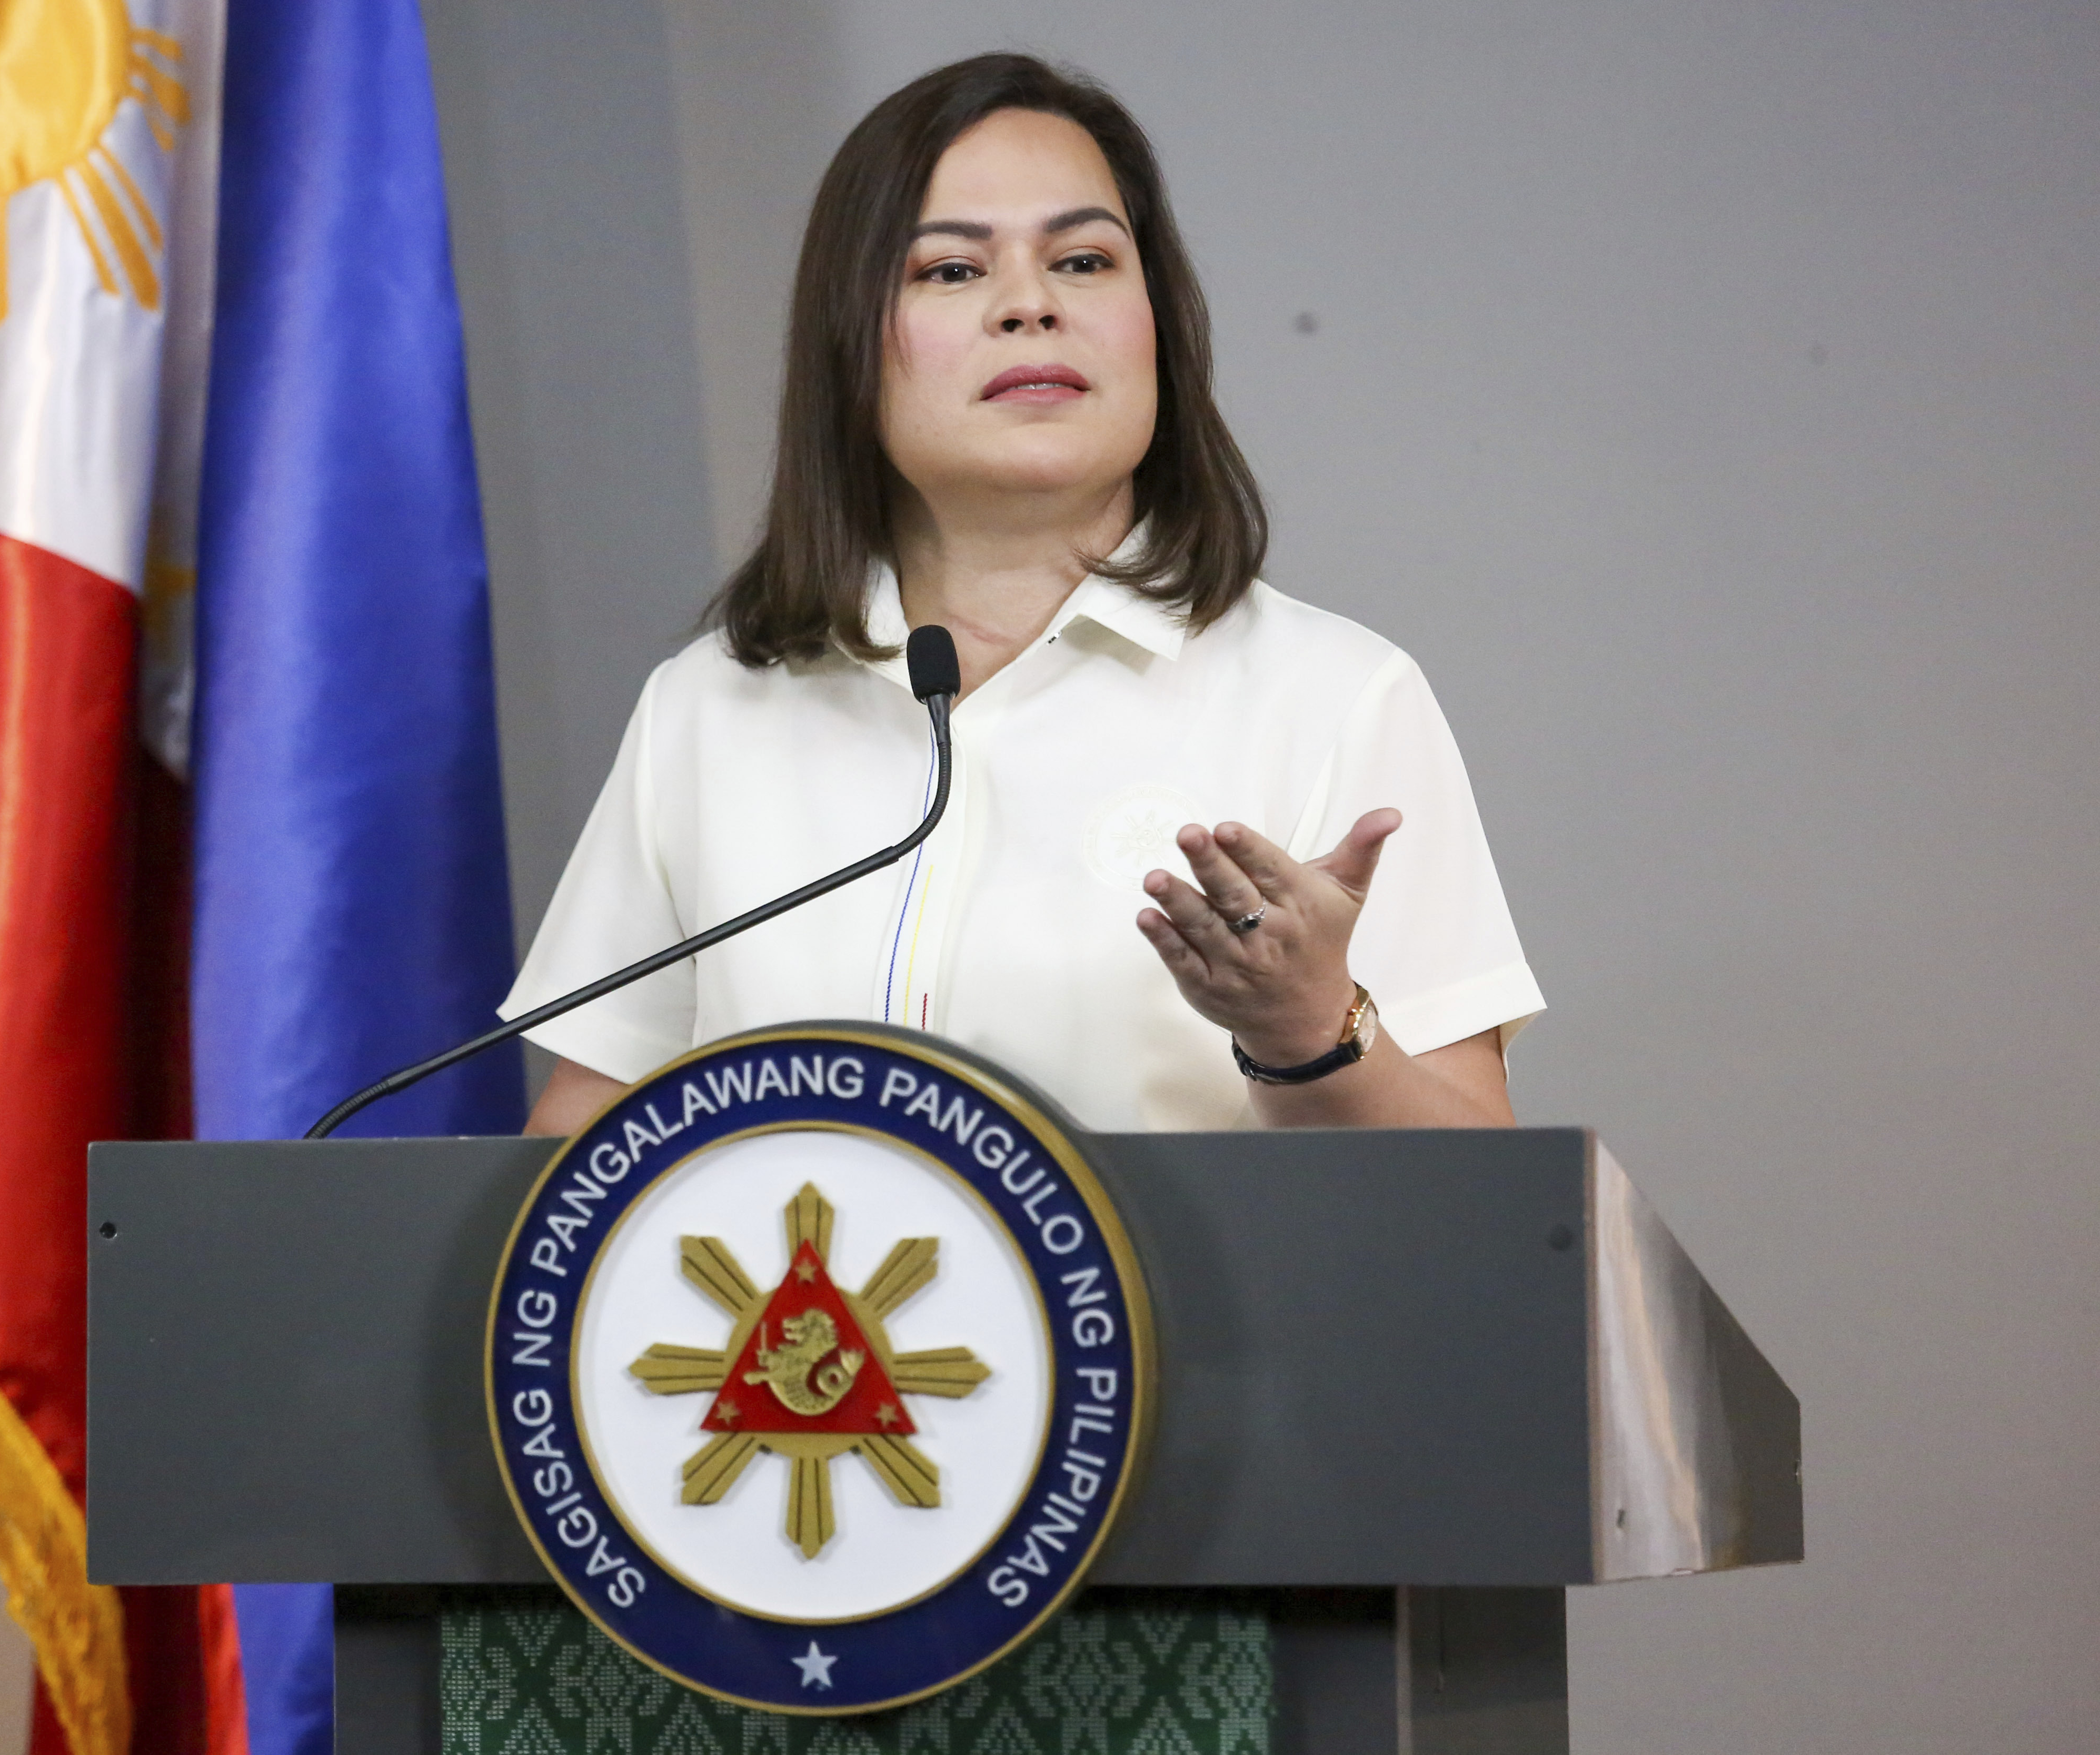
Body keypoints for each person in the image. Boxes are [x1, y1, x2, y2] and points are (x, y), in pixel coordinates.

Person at [506, 54, 1541, 1146]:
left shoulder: (1331, 697)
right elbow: (586, 1139)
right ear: (851, 346)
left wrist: (1308, 1032)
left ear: (1160, 327)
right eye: (952, 271)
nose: (1030, 305)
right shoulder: (710, 710)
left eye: (1084, 260)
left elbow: (1474, 1195)